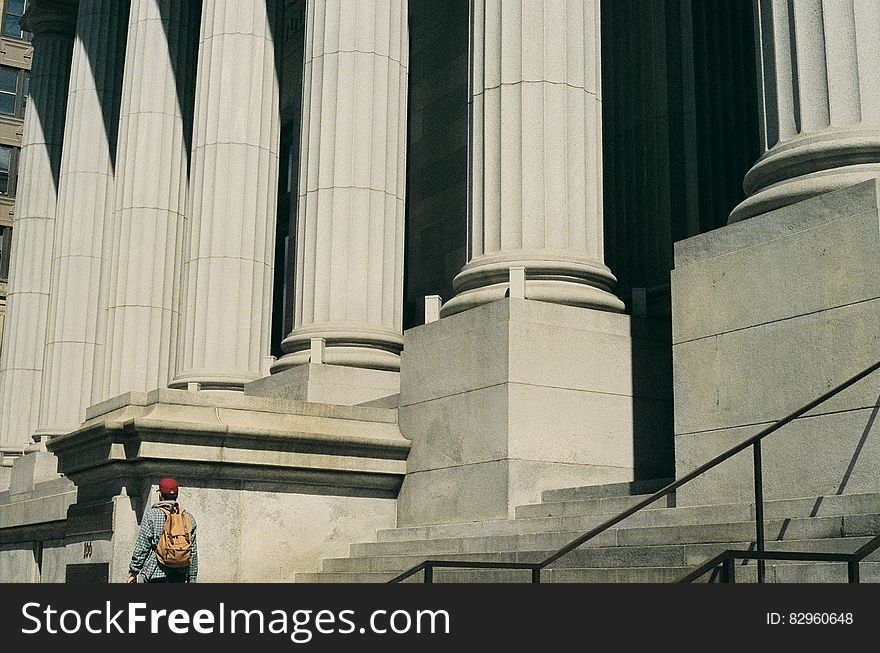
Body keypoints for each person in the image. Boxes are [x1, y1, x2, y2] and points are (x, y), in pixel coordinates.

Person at [127, 477, 198, 583]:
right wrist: (192, 577)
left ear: (160, 494)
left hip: (155, 573)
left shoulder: (152, 515)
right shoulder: (188, 517)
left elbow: (142, 546)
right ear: (176, 495)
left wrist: (133, 571)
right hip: (179, 574)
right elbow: (192, 551)